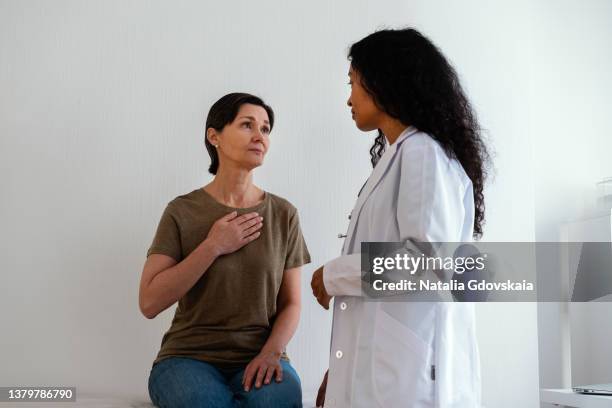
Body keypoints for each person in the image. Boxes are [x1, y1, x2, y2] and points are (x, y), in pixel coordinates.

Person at [311, 28, 490, 407]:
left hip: (409, 381)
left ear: (383, 82)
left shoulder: (423, 152)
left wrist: (332, 275)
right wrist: (341, 368)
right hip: (386, 372)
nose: (348, 98)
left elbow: (425, 263)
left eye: (353, 83)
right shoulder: (401, 155)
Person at [140, 93, 310, 408]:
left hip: (262, 355)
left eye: (266, 128)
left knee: (278, 400)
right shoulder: (182, 211)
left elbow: (292, 304)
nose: (260, 136)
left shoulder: (284, 214)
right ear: (214, 136)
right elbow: (149, 301)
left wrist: (272, 353)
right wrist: (213, 246)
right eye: (247, 125)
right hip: (187, 359)